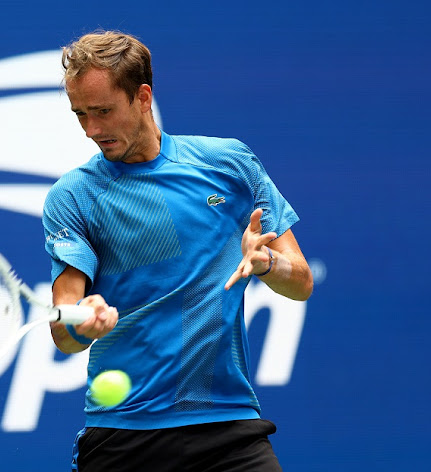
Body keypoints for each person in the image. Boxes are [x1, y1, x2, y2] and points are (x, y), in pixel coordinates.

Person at [42, 30, 313, 472]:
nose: (92, 130)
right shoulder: (73, 197)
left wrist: (267, 263)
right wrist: (83, 322)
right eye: (81, 115)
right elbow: (63, 328)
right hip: (124, 437)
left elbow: (301, 282)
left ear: (143, 97)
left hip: (228, 427)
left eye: (104, 111)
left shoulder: (229, 165)